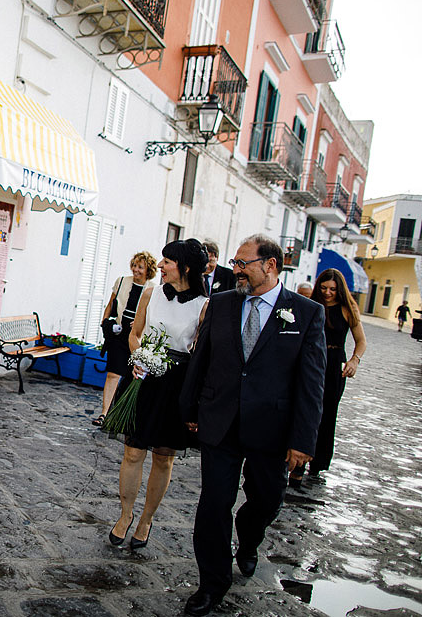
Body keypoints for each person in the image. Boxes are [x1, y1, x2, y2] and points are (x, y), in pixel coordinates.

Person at [179, 235, 325, 616]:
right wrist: (190, 408)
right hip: (220, 422)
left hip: (271, 430)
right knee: (213, 504)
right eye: (236, 262)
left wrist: (303, 439)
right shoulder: (222, 303)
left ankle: (248, 540)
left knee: (266, 500)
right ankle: (212, 583)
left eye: (243, 263)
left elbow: (312, 383)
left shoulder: (306, 313)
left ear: (271, 265)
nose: (236, 269)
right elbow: (202, 357)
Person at [106, 240, 208, 550]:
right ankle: (125, 515)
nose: (160, 267)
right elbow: (135, 334)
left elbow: (201, 353)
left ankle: (146, 519)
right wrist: (138, 359)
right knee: (132, 451)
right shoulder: (150, 294)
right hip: (143, 378)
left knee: (163, 459)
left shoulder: (204, 305)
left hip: (176, 385)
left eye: (167, 262)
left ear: (186, 268)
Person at [289, 268, 366, 488]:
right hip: (310, 361)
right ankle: (298, 461)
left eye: (332, 289)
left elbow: (361, 341)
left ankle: (318, 461)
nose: (328, 293)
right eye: (324, 288)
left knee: (328, 412)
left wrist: (354, 360)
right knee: (305, 408)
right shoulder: (312, 306)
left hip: (334, 365)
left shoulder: (347, 309)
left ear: (339, 289)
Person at [92, 251, 157, 427]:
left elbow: (152, 315)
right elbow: (111, 303)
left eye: (140, 267)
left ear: (148, 270)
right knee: (113, 373)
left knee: (132, 376)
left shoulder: (153, 289)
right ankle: (104, 414)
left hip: (137, 337)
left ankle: (121, 415)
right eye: (134, 265)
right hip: (119, 334)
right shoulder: (121, 282)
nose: (136, 270)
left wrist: (140, 323)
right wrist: (105, 321)